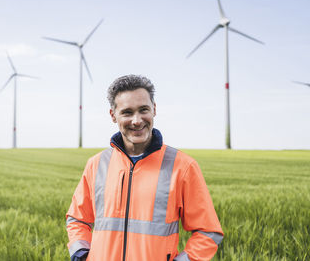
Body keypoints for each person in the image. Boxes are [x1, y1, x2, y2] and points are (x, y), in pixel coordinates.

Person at [66, 75, 223, 261]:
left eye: (143, 110)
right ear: (113, 115)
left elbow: (208, 232)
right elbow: (77, 219)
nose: (137, 120)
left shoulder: (183, 166)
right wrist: (82, 255)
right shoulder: (97, 164)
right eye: (127, 112)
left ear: (154, 109)